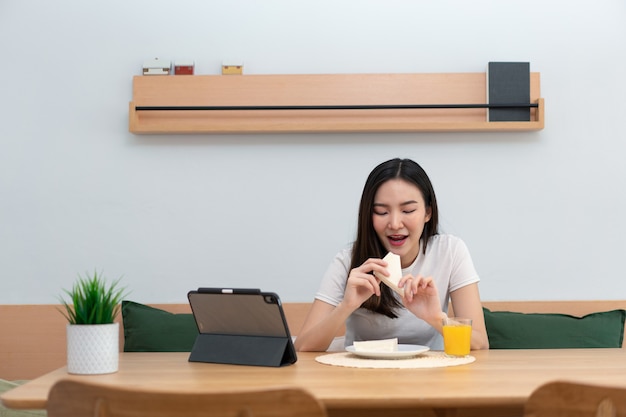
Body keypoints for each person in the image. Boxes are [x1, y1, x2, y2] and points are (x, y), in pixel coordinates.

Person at [294, 158, 489, 352]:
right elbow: (302, 348)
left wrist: (436, 318)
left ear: (428, 212)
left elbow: (479, 344)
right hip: (361, 376)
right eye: (381, 212)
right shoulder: (348, 261)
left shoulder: (450, 251)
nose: (395, 223)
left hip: (430, 376)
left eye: (408, 210)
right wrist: (347, 306)